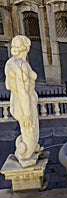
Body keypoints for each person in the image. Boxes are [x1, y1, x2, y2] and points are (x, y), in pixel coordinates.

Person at [5, 35, 42, 168]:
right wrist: (27, 113)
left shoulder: (11, 63)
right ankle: (26, 153)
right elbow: (23, 91)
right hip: (24, 103)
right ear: (25, 49)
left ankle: (30, 147)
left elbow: (8, 86)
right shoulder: (21, 66)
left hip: (16, 102)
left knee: (27, 130)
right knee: (30, 129)